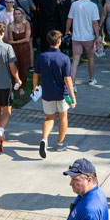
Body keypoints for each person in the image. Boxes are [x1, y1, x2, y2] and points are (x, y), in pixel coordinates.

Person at [34, 30, 77, 158]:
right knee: (63, 118)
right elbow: (68, 79)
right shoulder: (64, 58)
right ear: (59, 41)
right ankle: (60, 144)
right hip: (62, 95)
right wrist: (73, 96)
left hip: (47, 94)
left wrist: (35, 86)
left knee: (49, 119)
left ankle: (44, 139)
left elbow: (36, 74)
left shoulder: (41, 57)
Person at [67, 0, 101, 85]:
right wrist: (97, 36)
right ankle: (91, 79)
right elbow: (95, 23)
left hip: (76, 37)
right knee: (91, 58)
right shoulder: (93, 6)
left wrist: (67, 30)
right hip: (88, 37)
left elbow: (69, 19)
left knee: (75, 60)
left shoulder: (74, 4)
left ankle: (72, 83)